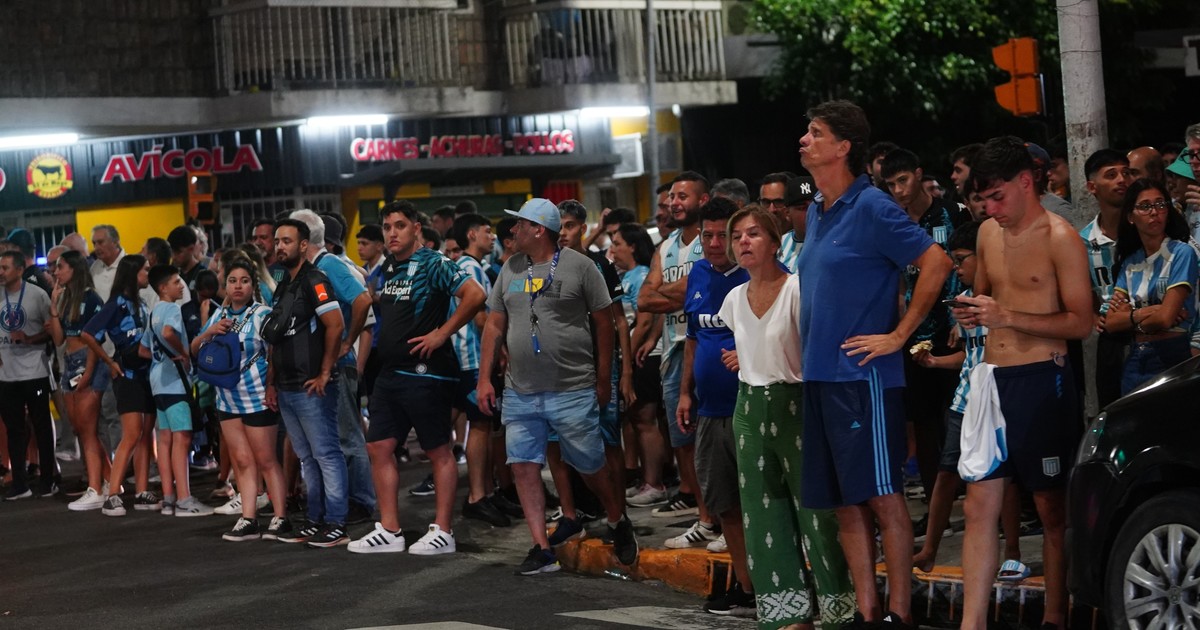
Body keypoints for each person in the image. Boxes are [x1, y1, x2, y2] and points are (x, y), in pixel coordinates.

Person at [796, 100, 952, 628]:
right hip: (820, 376)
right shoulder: (818, 209)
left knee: (883, 496)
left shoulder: (872, 206)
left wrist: (899, 335)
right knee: (845, 501)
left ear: (844, 146)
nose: (804, 140)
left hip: (862, 379)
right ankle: (868, 613)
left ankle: (899, 614)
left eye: (815, 133)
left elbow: (936, 261)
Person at [952, 136, 1093, 630]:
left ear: (1026, 182)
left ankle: (1055, 616)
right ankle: (972, 623)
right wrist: (971, 313)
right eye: (984, 200)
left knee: (1051, 509)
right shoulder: (987, 233)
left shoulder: (1060, 237)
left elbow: (1081, 322)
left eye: (998, 197)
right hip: (992, 380)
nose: (991, 209)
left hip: (1042, 378)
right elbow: (985, 297)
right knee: (978, 507)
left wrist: (1006, 315)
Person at [476, 198, 638, 576]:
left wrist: (604, 378)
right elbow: (495, 324)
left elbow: (605, 324)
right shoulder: (510, 268)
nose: (513, 230)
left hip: (572, 388)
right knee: (523, 466)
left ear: (538, 230)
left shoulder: (580, 266)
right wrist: (484, 378)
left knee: (590, 465)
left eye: (520, 224)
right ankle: (542, 546)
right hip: (521, 391)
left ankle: (617, 518)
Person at [719, 205, 856, 629]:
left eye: (754, 233)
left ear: (776, 242)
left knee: (818, 516)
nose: (743, 242)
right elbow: (752, 350)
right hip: (748, 409)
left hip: (796, 407)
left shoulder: (798, 289)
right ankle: (788, 615)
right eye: (737, 236)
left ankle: (838, 611)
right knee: (763, 516)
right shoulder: (733, 299)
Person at [348, 201, 485, 555]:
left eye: (400, 226)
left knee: (437, 450)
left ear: (416, 229)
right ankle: (390, 530)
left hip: (427, 373)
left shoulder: (434, 262)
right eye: (387, 227)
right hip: (390, 373)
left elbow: (475, 295)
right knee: (378, 446)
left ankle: (443, 531)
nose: (392, 233)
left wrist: (442, 333)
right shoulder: (390, 266)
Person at [673, 198, 754, 615]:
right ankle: (746, 588)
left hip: (751, 407)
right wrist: (685, 392)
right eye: (708, 235)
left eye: (724, 235)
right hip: (709, 409)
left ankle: (778, 585)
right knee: (725, 506)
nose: (716, 243)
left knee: (761, 503)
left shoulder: (759, 275)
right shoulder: (699, 274)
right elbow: (692, 338)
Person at [544, 199, 636, 545]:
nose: (563, 233)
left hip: (601, 366)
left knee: (609, 441)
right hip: (559, 372)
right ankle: (572, 515)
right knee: (558, 445)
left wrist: (625, 373)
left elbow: (619, 320)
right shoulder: (544, 266)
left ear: (583, 228)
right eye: (558, 227)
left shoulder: (600, 265)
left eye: (569, 226)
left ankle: (619, 517)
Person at [192, 256, 292, 541]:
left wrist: (271, 386)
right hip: (226, 398)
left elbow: (276, 353)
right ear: (225, 286)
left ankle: (281, 517)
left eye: (244, 281)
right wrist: (209, 332)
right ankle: (249, 518)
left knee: (266, 459)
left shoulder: (262, 314)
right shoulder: (218, 316)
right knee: (242, 461)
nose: (238, 286)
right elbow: (194, 350)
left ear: (253, 285)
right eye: (232, 281)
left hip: (257, 396)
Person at [265, 218, 348, 548]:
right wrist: (271, 383)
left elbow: (336, 325)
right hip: (287, 386)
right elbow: (275, 339)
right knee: (307, 458)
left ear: (303, 245)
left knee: (326, 454)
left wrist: (325, 372)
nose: (279, 247)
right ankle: (315, 519)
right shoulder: (284, 284)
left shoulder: (315, 279)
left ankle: (337, 523)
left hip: (312, 386)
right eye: (277, 241)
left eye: (286, 241)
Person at [638, 171, 714, 528]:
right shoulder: (665, 247)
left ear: (703, 200)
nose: (674, 203)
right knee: (682, 440)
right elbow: (644, 299)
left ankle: (723, 514)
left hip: (708, 346)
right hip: (673, 354)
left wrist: (680, 292)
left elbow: (704, 287)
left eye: (683, 196)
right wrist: (687, 293)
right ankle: (704, 517)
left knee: (714, 439)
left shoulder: (712, 239)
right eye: (672, 197)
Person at [1101, 178, 1197, 393]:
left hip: (1171, 354)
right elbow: (1112, 323)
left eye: (1160, 204)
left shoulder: (1181, 253)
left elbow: (1166, 319)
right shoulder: (1130, 262)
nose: (1154, 212)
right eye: (1145, 206)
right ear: (1130, 217)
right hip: (1136, 355)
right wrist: (1149, 312)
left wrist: (1131, 318)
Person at [450, 212, 513, 527]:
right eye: (487, 231)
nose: (493, 237)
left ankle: (486, 491)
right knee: (478, 425)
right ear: (472, 235)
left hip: (470, 358)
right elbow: (481, 318)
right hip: (472, 358)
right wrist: (501, 349)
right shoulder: (470, 267)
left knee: (484, 425)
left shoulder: (469, 266)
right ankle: (476, 496)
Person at [138, 265, 213, 517]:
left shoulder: (153, 312)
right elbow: (169, 332)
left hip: (158, 383)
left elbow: (143, 350)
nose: (181, 286)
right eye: (176, 282)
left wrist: (163, 357)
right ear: (163, 288)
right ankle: (184, 499)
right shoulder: (171, 309)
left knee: (166, 440)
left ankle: (169, 498)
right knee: (182, 439)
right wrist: (182, 353)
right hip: (175, 382)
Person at [609, 224, 667, 506]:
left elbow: (644, 321)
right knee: (637, 420)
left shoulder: (642, 275)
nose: (612, 250)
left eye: (617, 243)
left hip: (645, 356)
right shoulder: (627, 276)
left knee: (645, 420)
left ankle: (655, 483)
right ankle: (647, 480)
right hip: (634, 356)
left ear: (632, 246)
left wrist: (627, 360)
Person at [49, 251, 111, 507]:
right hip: (70, 363)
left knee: (88, 429)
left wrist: (88, 372)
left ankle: (96, 488)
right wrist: (54, 309)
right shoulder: (66, 298)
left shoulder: (91, 298)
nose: (56, 272)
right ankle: (109, 482)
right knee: (80, 428)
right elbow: (58, 340)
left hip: (88, 361)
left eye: (60, 267)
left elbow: (96, 340)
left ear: (74, 268)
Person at [0, 251, 56, 500]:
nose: (0, 272)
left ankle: (48, 480)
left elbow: (52, 330)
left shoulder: (37, 295)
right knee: (14, 430)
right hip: (6, 375)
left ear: (20, 270)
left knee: (41, 428)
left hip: (35, 371)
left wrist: (30, 339)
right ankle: (20, 484)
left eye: (5, 268)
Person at [1080, 149, 1133, 409]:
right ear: (1092, 187)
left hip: (1150, 330)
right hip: (1110, 339)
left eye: (1126, 173)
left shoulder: (1146, 230)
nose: (1122, 179)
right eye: (1111, 175)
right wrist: (1093, 315)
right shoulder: (1083, 241)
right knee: (1112, 410)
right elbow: (1083, 289)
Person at [776, 176, 815, 273]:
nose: (811, 212)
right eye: (802, 208)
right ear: (787, 213)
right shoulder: (777, 247)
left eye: (816, 206)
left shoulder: (835, 241)